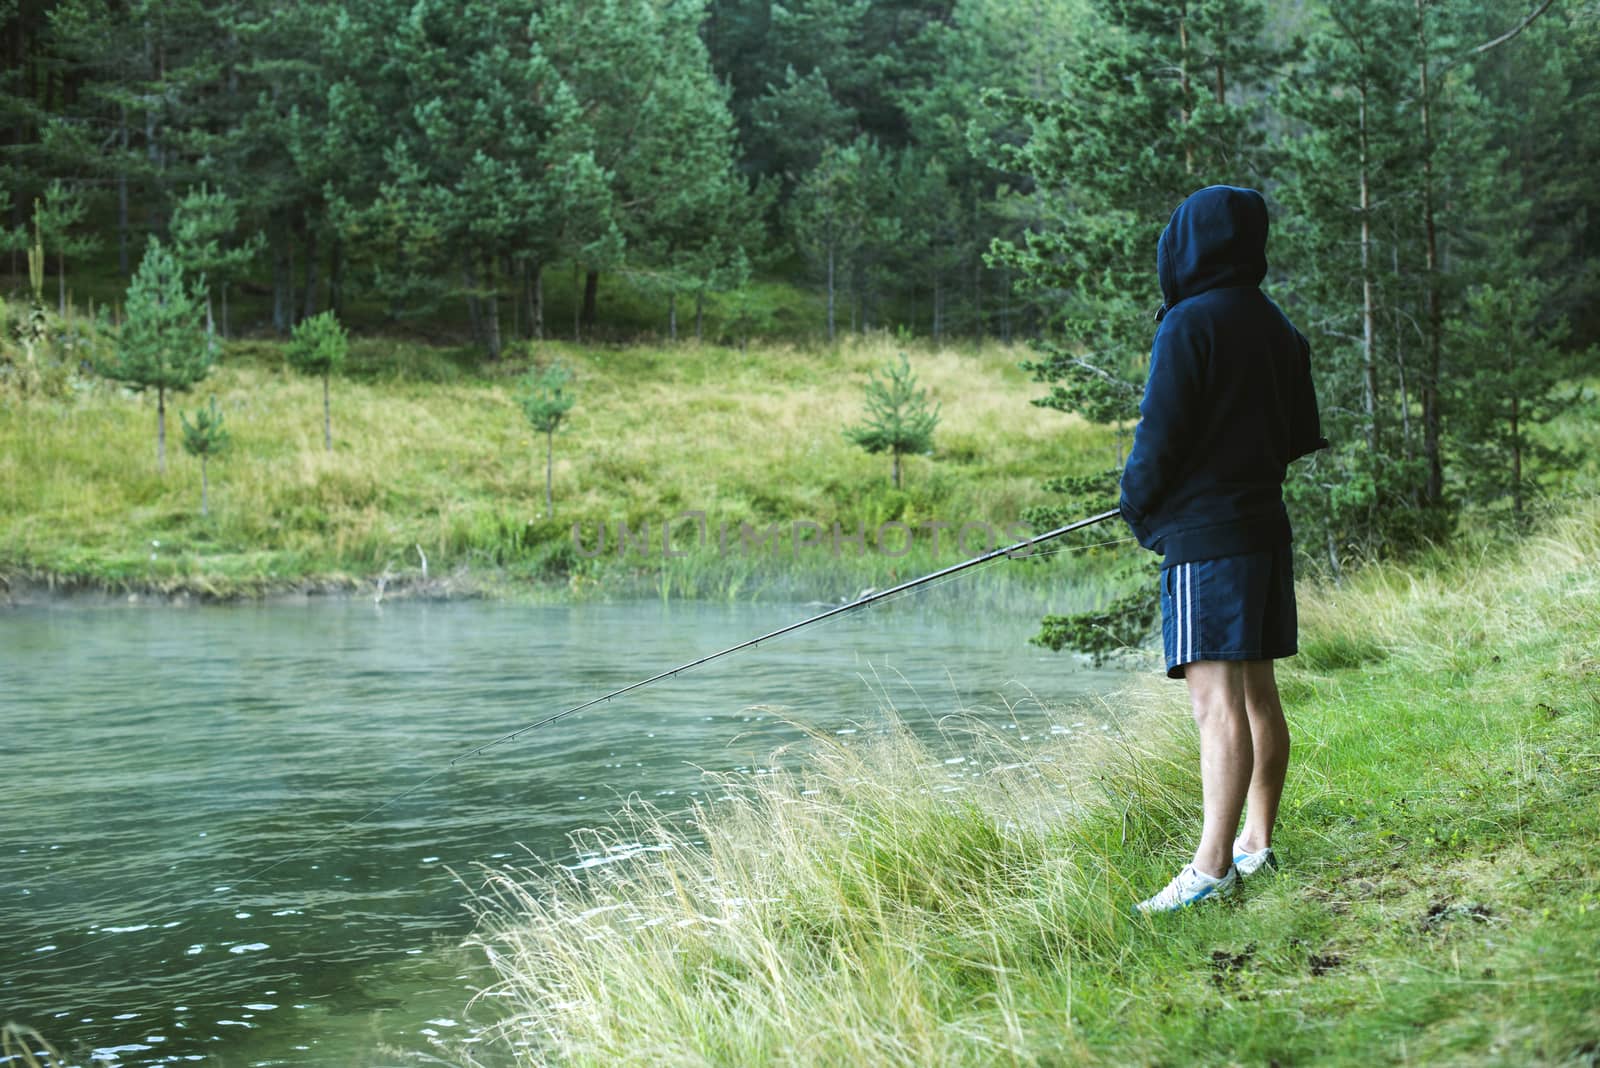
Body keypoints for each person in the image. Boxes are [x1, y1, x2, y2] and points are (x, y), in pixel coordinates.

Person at [1118, 185, 1328, 914]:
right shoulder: (1278, 326)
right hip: (1263, 529)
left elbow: (1160, 435)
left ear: (1189, 243)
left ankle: (1211, 869)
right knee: (1257, 694)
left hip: (1206, 540)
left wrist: (1138, 506)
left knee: (1215, 703)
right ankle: (1255, 842)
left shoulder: (1187, 323)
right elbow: (1299, 434)